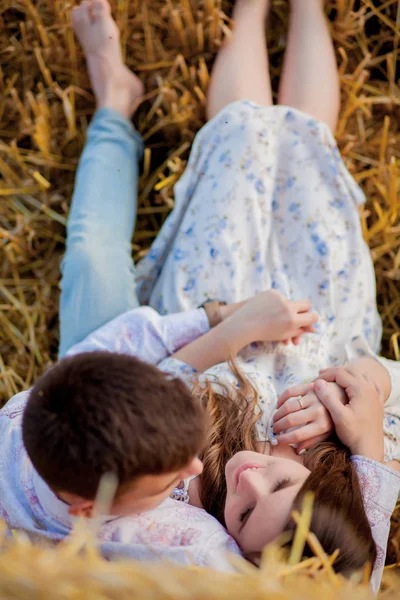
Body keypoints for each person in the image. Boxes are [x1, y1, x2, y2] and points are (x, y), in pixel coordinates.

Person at [0, 0, 399, 592]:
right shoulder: (340, 478)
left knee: (239, 138)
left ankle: (133, 87)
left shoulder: (185, 528)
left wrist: (224, 321)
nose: (247, 480)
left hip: (178, 331)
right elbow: (355, 570)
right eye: (281, 482)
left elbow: (129, 361)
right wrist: (362, 415)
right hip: (321, 316)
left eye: (242, 514)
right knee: (309, 156)